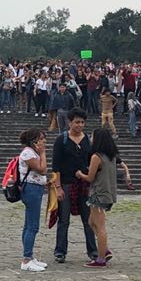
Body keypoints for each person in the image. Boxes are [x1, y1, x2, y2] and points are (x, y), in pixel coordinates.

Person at [77, 127, 130, 268]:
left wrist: (80, 174)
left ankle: (100, 258)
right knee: (91, 221)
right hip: (108, 193)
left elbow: (89, 177)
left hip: (99, 194)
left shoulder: (97, 157)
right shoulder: (111, 156)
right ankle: (104, 249)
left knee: (100, 226)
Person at [51, 108, 96, 263]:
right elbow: (55, 167)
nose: (80, 125)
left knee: (88, 219)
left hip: (84, 184)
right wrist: (58, 187)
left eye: (82, 122)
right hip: (66, 183)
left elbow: (92, 162)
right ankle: (60, 251)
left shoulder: (87, 141)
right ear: (70, 122)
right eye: (77, 122)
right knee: (63, 220)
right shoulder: (61, 140)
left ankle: (93, 250)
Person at [16, 127, 48, 272]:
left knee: (28, 223)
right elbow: (42, 169)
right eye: (41, 139)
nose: (44, 141)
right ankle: (26, 258)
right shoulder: (28, 153)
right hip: (31, 189)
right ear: (34, 141)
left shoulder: (32, 152)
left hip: (36, 188)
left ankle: (29, 255)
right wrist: (42, 153)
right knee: (32, 225)